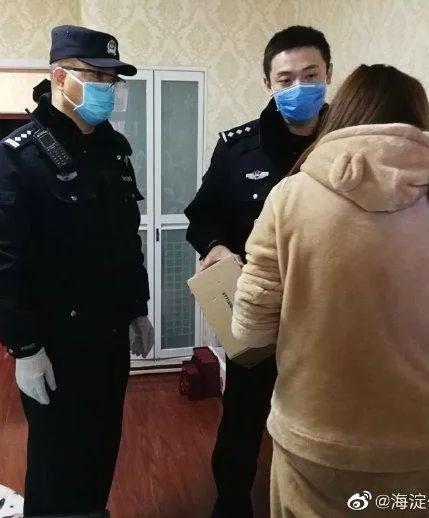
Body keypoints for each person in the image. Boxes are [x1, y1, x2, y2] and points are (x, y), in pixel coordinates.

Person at [231, 64, 429, 517]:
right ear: (419, 119)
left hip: (313, 439)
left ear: (344, 113)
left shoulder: (289, 197)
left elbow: (251, 330)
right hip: (423, 445)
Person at [0, 24, 154, 517]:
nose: (106, 88)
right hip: (54, 342)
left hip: (108, 334)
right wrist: (25, 348)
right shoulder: (19, 156)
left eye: (111, 79)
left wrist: (137, 308)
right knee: (57, 459)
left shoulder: (113, 148)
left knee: (102, 444)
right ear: (60, 76)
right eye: (95, 76)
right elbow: (1, 261)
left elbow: (125, 240)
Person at [184, 26, 332, 518]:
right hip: (258, 312)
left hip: (328, 317)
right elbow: (200, 216)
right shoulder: (238, 148)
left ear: (329, 74)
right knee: (243, 421)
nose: (298, 87)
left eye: (310, 75)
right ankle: (230, 503)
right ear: (268, 83)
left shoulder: (348, 142)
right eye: (285, 78)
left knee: (321, 423)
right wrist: (216, 247)